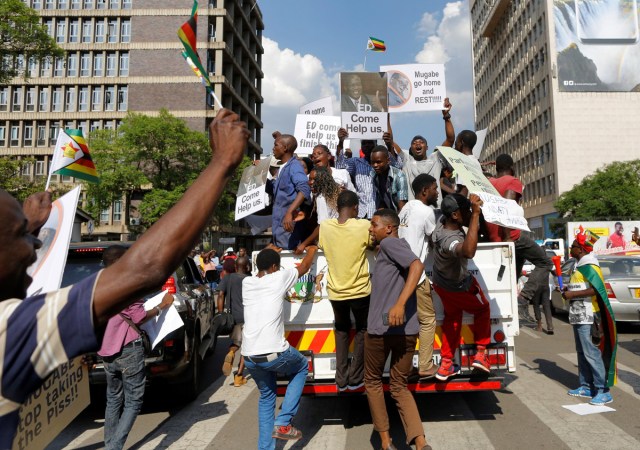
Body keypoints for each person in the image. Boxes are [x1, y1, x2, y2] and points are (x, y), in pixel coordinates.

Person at [0, 107, 248, 443]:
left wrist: (26, 224)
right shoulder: (9, 331)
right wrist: (222, 164)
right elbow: (146, 269)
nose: (34, 248)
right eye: (21, 236)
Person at [365, 209, 430, 450]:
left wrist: (399, 304)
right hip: (405, 331)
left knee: (372, 381)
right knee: (399, 386)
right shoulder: (389, 248)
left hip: (382, 330)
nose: (371, 229)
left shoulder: (391, 244)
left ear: (389, 228)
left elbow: (417, 265)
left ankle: (385, 442)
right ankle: (421, 443)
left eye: (374, 225)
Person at [98, 245, 174, 450]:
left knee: (113, 399)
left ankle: (109, 445)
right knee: (133, 401)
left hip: (105, 351)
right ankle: (114, 447)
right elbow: (138, 317)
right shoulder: (127, 283)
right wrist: (161, 306)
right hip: (128, 349)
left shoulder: (96, 284)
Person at [242, 245, 318, 449]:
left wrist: (266, 250)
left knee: (267, 397)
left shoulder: (247, 283)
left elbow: (261, 266)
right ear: (275, 266)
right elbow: (304, 267)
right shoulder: (279, 277)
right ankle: (283, 422)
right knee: (302, 366)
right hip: (274, 352)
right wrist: (312, 249)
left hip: (249, 357)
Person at [485, 154, 553, 325]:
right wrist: (508, 237)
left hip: (493, 236)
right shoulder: (513, 181)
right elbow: (506, 205)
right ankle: (524, 297)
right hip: (510, 235)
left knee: (515, 266)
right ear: (512, 167)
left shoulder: (490, 182)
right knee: (545, 262)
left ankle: (508, 296)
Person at [431, 194, 492, 381]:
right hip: (460, 287)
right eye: (464, 211)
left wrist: (470, 201)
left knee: (453, 317)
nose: (468, 213)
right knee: (483, 308)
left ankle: (447, 364)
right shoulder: (450, 240)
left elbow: (455, 205)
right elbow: (467, 251)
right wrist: (475, 214)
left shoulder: (442, 222)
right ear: (456, 215)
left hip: (442, 286)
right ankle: (481, 354)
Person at [318, 190, 371, 391]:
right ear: (356, 208)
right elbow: (374, 244)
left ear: (337, 207)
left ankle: (341, 379)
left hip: (335, 293)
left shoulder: (325, 227)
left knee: (341, 330)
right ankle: (356, 377)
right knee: (362, 330)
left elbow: (321, 245)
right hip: (360, 291)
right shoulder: (363, 226)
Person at [563, 229, 617, 405]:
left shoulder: (591, 266)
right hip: (578, 314)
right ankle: (586, 386)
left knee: (591, 352)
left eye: (573, 246)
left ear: (580, 249)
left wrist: (572, 295)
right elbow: (580, 287)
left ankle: (603, 390)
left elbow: (596, 290)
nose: (570, 248)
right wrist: (567, 291)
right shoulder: (578, 265)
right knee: (581, 352)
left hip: (588, 314)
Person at [398, 174, 439, 379]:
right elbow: (434, 238)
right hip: (417, 275)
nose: (437, 191)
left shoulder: (406, 208)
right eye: (434, 188)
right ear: (425, 191)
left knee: (408, 322)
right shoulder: (426, 212)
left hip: (401, 273)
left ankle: (406, 366)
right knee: (428, 319)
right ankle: (424, 365)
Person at [336, 129, 403, 219]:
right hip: (360, 214)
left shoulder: (382, 164)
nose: (367, 145)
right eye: (364, 143)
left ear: (376, 144)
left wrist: (389, 144)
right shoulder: (356, 162)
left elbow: (397, 166)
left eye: (370, 143)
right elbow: (340, 167)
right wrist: (341, 142)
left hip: (379, 214)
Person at [269, 133, 312, 249]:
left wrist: (289, 212)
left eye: (276, 145)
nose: (273, 148)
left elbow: (304, 189)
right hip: (279, 229)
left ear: (285, 148)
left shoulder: (294, 166)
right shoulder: (283, 168)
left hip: (289, 229)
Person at [218, 256, 251, 387]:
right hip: (247, 316)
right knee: (246, 346)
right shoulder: (250, 280)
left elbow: (220, 294)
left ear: (236, 267)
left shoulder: (228, 278)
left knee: (236, 342)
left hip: (233, 316)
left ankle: (231, 352)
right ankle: (239, 377)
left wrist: (221, 313)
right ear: (247, 267)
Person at [370, 145, 408, 213]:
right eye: (373, 162)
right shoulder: (374, 175)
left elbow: (402, 208)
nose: (375, 165)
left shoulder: (399, 176)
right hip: (388, 215)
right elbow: (381, 201)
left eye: (378, 162)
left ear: (388, 160)